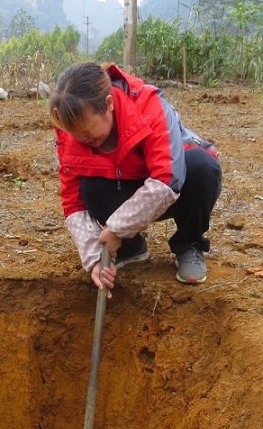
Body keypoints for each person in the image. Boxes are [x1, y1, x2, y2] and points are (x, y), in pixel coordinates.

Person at [49, 61, 222, 290]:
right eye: (76, 134)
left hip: (173, 189)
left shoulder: (148, 104)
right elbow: (73, 203)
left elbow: (167, 179)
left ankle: (189, 243)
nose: (82, 139)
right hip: (122, 188)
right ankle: (129, 249)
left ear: (108, 104)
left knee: (202, 167)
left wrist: (117, 229)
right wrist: (95, 259)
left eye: (88, 131)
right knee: (88, 188)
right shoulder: (68, 128)